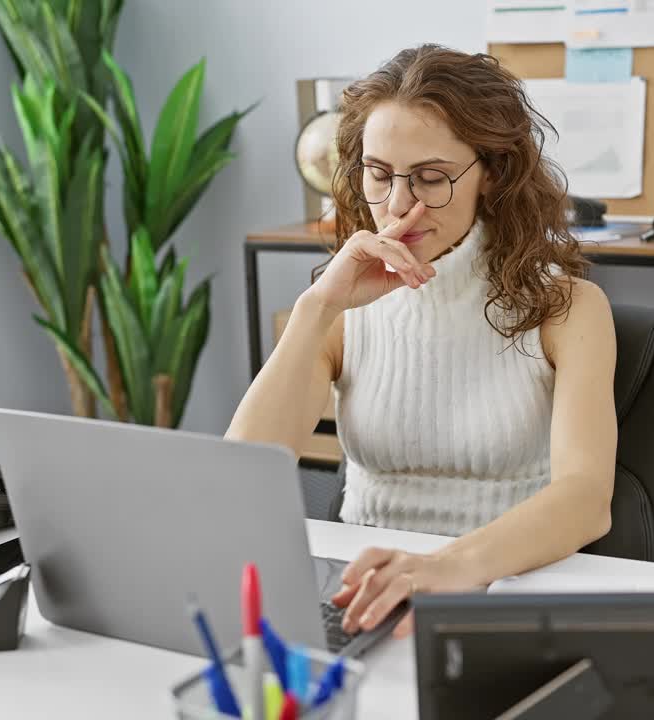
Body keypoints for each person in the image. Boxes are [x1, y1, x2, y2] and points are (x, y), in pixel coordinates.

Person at [227, 44, 617, 637]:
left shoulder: (568, 307)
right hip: (362, 595)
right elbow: (241, 476)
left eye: (432, 178)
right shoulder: (341, 308)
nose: (399, 205)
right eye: (379, 174)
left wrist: (444, 567)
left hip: (507, 590)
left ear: (493, 173)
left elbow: (586, 499)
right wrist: (317, 307)